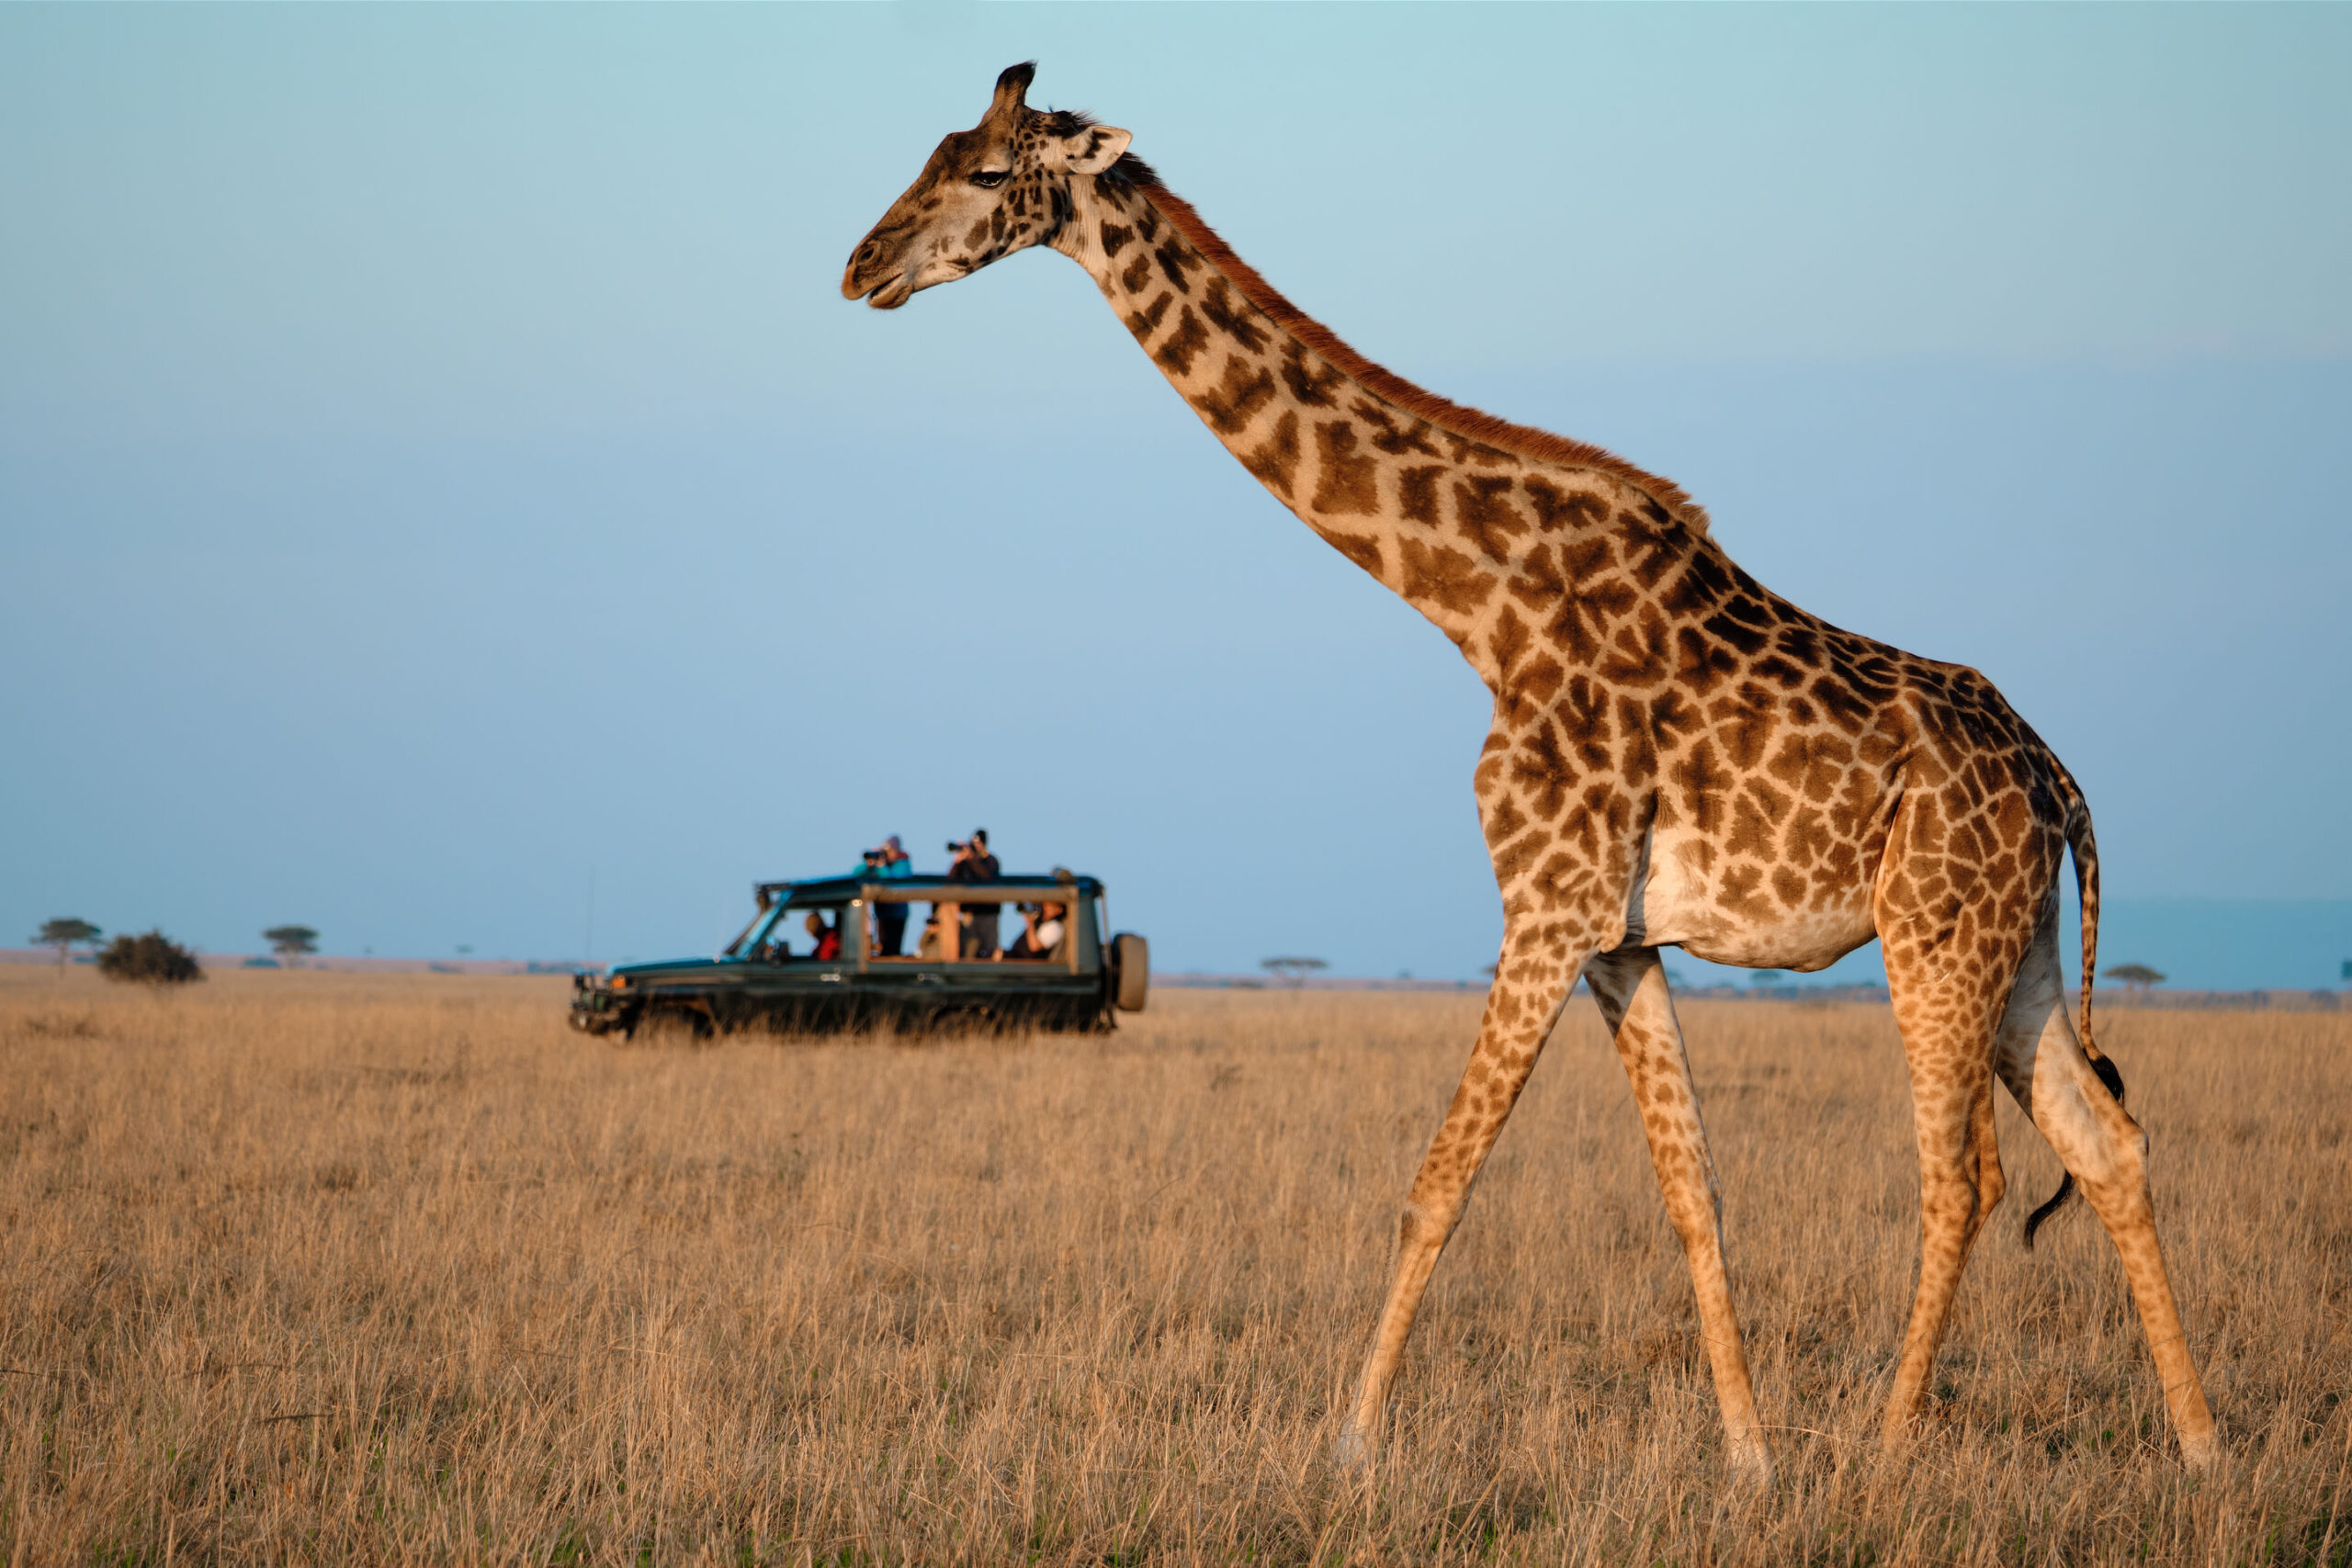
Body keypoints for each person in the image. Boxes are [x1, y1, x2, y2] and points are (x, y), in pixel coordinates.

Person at [945, 829, 1001, 958]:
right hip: (969, 915)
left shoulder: (991, 860)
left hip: (988, 914)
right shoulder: (964, 862)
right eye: (973, 843)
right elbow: (949, 882)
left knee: (990, 950)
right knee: (968, 950)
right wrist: (957, 862)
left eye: (979, 843)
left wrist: (973, 859)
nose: (976, 846)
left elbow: (987, 877)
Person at [873, 834, 912, 957]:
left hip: (897, 914)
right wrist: (869, 863)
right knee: (883, 947)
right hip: (882, 913)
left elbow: (891, 882)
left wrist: (881, 866)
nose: (887, 853)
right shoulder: (883, 865)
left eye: (890, 850)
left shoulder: (903, 864)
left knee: (893, 949)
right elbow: (857, 873)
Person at [999, 901, 1067, 962]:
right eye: (1045, 904)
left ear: (1059, 910)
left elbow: (1034, 946)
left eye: (1051, 905)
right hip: (1016, 954)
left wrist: (1030, 922)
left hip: (1026, 962)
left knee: (998, 955)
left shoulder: (1055, 927)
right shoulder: (1040, 920)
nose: (1045, 907)